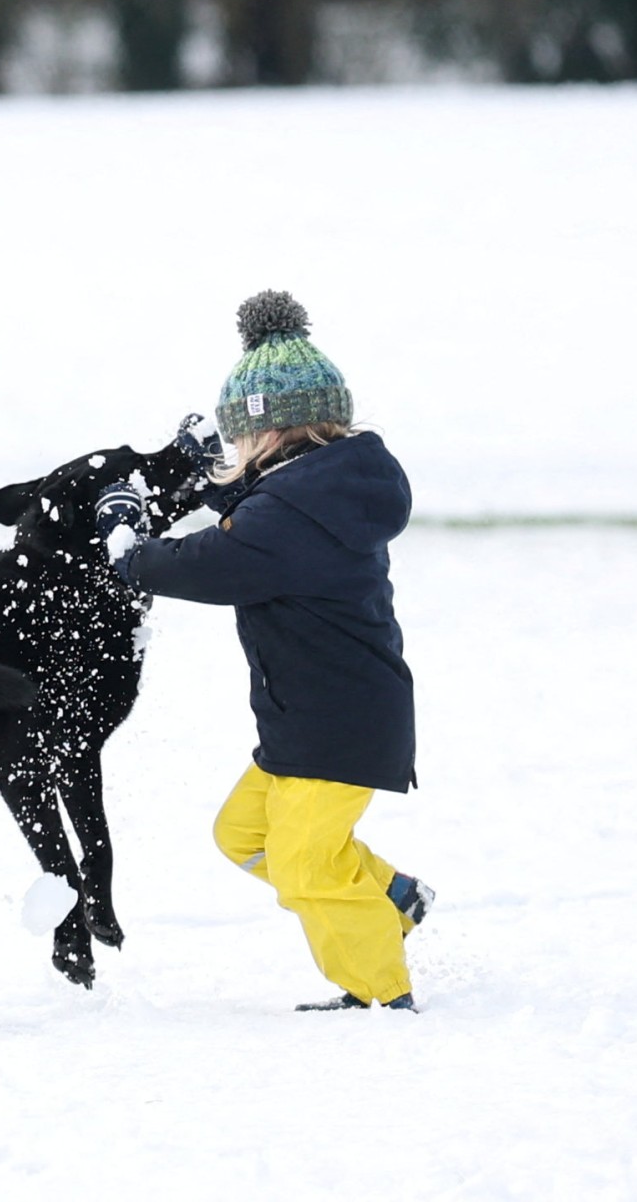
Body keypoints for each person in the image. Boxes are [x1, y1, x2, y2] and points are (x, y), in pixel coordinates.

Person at [93, 290, 432, 1011]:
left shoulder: (287, 518)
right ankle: (391, 895)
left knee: (307, 866)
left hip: (333, 729)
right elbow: (261, 524)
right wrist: (204, 487)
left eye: (239, 439)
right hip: (320, 719)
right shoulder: (329, 493)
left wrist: (129, 549)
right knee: (243, 833)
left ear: (265, 434)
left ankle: (381, 996)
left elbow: (214, 563)